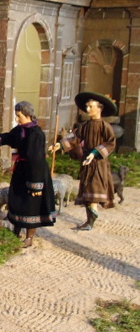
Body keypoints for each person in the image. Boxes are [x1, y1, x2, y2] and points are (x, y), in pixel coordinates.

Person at [0, 101, 56, 247]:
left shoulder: (36, 134)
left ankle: (29, 237)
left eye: (19, 116)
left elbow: (36, 160)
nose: (17, 119)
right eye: (16, 116)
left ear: (28, 115)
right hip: (21, 171)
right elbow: (8, 137)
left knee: (32, 204)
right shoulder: (20, 130)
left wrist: (36, 186)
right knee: (17, 199)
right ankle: (15, 231)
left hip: (34, 173)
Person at [50, 92, 116, 231]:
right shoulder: (84, 126)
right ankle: (89, 220)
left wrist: (94, 153)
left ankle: (90, 221)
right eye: (86, 106)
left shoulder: (105, 127)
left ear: (99, 108)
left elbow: (111, 143)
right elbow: (75, 139)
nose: (87, 110)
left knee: (94, 190)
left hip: (98, 163)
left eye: (90, 106)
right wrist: (60, 145)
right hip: (86, 162)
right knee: (86, 189)